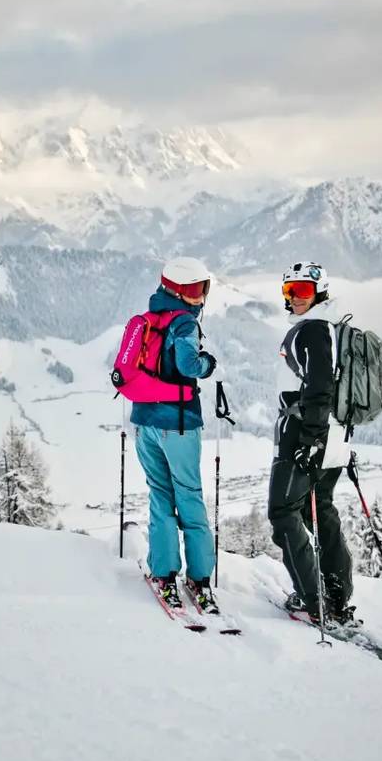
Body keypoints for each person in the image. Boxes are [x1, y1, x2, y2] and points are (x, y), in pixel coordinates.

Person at [268, 261, 356, 626]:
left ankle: (313, 600)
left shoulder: (313, 330)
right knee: (319, 509)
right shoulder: (333, 328)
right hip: (335, 436)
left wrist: (309, 441)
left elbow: (319, 388)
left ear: (320, 292)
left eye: (302, 291)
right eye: (289, 292)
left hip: (308, 434)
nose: (295, 299)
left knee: (284, 513)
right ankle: (336, 595)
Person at [132, 257, 219, 612]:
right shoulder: (184, 324)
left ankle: (164, 574)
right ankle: (199, 579)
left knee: (160, 497)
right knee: (189, 497)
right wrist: (207, 364)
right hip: (179, 426)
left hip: (144, 423)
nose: (201, 297)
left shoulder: (150, 319)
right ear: (183, 290)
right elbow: (187, 365)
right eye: (199, 289)